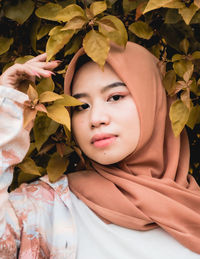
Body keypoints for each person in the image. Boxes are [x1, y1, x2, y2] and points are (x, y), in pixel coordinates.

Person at [0, 42, 200, 259]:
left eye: (115, 97)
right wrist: (7, 110)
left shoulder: (193, 210)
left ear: (154, 101)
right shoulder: (49, 208)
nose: (95, 119)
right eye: (81, 106)